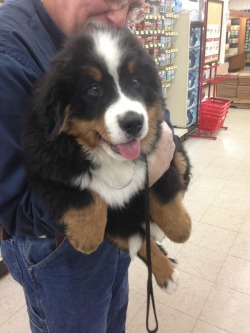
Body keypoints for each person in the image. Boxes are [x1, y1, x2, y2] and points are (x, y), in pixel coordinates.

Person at [0, 0, 175, 332]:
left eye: (130, 6)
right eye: (112, 1)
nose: (118, 18)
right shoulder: (7, 54)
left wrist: (162, 138)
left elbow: (148, 99)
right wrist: (137, 178)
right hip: (60, 249)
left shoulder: (102, 29)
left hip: (114, 237)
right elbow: (14, 206)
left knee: (113, 319)